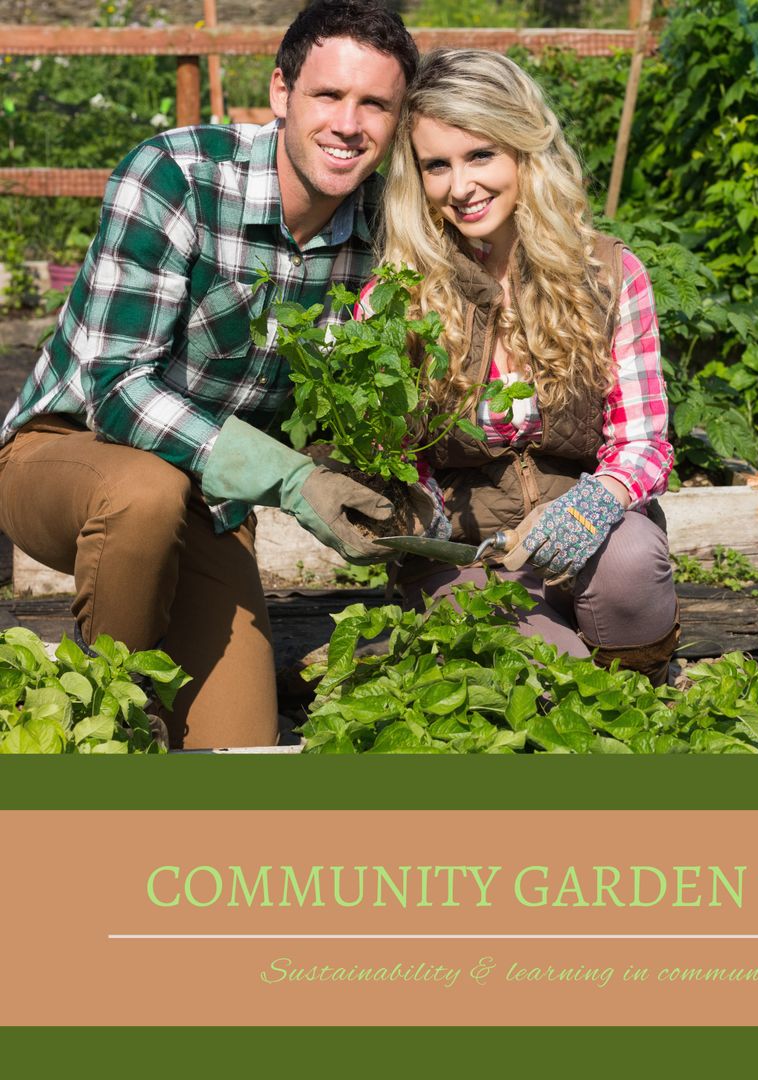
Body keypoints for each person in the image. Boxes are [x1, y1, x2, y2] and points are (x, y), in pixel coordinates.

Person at [0, 0, 430, 749]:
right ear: (281, 95)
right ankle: (103, 723)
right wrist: (296, 481)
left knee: (241, 750)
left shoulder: (384, 227)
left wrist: (387, 486)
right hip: (62, 453)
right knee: (142, 492)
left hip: (214, 503)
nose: (348, 124)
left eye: (376, 104)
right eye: (328, 95)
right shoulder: (179, 174)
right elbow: (116, 390)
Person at [374, 48, 680, 685]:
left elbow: (643, 442)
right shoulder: (395, 297)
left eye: (480, 154)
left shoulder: (607, 275)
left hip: (587, 531)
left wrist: (593, 503)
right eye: (437, 166)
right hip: (467, 554)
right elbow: (393, 457)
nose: (461, 187)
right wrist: (422, 514)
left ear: (523, 149)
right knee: (547, 679)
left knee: (628, 568)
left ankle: (642, 679)